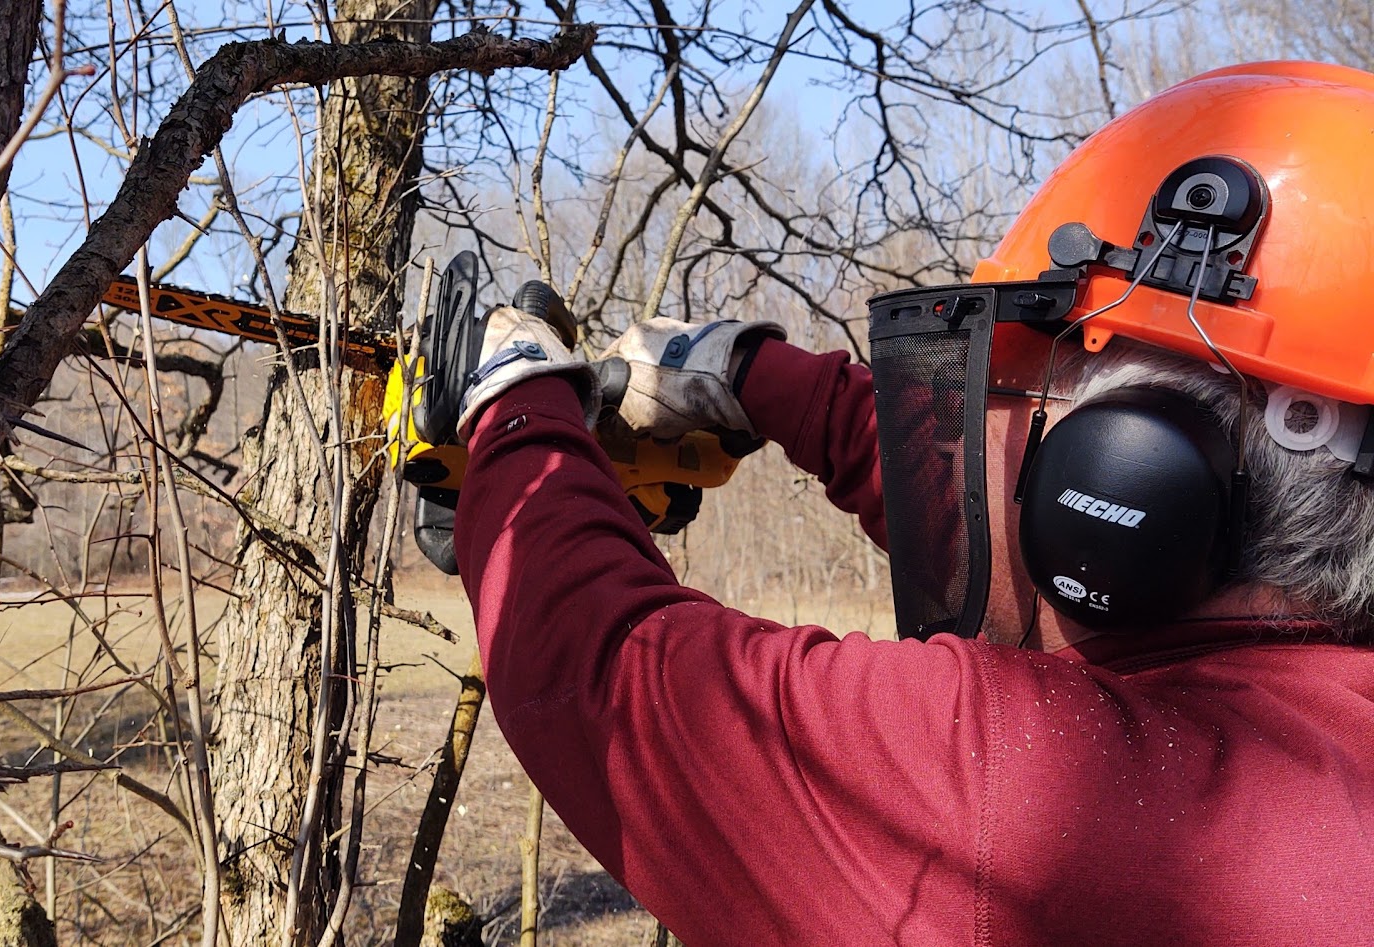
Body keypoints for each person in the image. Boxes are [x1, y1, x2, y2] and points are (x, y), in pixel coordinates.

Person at [446, 61, 1374, 945]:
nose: (993, 429)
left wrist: (515, 406)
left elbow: (601, 667)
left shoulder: (1042, 795)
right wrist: (756, 379)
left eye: (1025, 391)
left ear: (1125, 473)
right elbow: (985, 518)